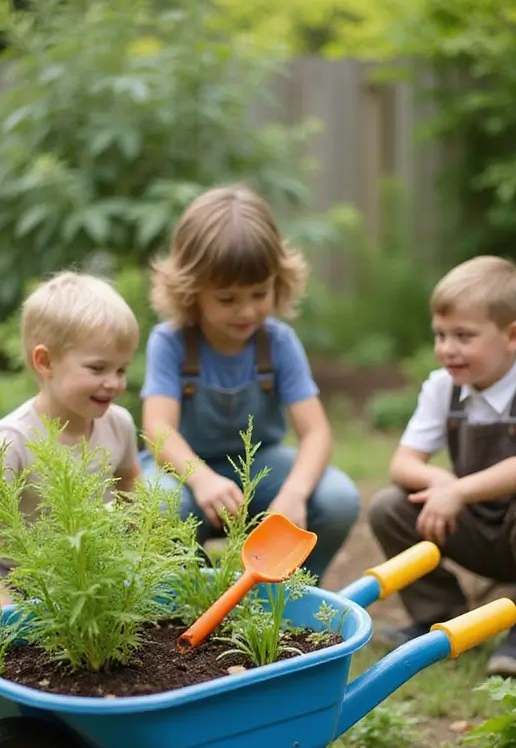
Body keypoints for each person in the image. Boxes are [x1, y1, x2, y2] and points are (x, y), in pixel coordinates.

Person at [140, 184, 359, 584]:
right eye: (227, 299)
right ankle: (192, 594)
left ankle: (290, 592)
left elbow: (317, 432)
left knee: (337, 500)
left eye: (260, 293)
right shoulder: (171, 342)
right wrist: (201, 477)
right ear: (191, 291)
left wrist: (293, 492)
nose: (247, 311)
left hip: (260, 466)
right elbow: (157, 429)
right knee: (162, 506)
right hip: (182, 471)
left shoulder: (277, 342)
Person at [369, 255, 516, 676]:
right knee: (389, 506)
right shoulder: (443, 387)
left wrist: (458, 490)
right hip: (478, 530)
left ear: (513, 335)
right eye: (440, 334)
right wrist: (440, 481)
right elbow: (403, 462)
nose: (447, 349)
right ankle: (439, 616)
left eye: (463, 336)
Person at [0, 271, 141, 608]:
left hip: (92, 577)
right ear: (45, 362)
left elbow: (130, 484)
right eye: (98, 368)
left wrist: (135, 560)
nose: (114, 383)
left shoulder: (120, 425)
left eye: (121, 369)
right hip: (25, 583)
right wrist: (0, 606)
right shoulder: (13, 437)